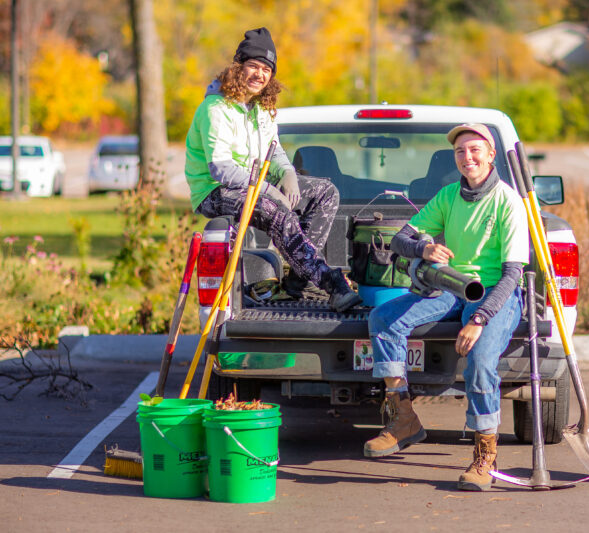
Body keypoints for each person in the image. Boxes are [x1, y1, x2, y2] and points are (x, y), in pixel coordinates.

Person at [365, 123, 529, 491]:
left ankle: (485, 455)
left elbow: (512, 275)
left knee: (482, 360)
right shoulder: (448, 196)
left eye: (474, 150)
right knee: (384, 318)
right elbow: (401, 239)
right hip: (454, 287)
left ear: (490, 154)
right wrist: (424, 249)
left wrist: (480, 319)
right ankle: (404, 419)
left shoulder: (508, 202)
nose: (467, 157)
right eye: (460, 152)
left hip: (494, 295)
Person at [185, 27, 360, 311]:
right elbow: (220, 168)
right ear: (237, 66)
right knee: (273, 209)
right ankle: (332, 285)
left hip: (254, 184)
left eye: (266, 69)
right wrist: (266, 189)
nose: (260, 74)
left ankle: (296, 285)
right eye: (253, 65)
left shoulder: (261, 108)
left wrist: (288, 174)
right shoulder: (215, 109)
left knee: (324, 193)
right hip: (215, 191)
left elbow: (273, 150)